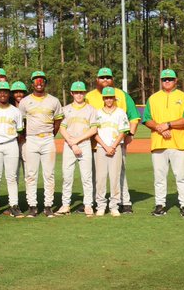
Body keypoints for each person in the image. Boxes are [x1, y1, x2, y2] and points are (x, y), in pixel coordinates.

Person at [85, 67, 141, 212]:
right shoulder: (89, 96)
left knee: (119, 172)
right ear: (97, 80)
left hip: (117, 142)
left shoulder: (122, 95)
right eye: (102, 77)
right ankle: (93, 203)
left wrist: (130, 135)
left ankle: (125, 201)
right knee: (96, 174)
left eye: (108, 77)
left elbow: (134, 117)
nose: (105, 80)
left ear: (112, 79)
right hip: (94, 143)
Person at [142, 69, 184, 218]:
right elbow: (147, 119)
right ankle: (160, 205)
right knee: (159, 177)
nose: (167, 81)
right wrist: (159, 127)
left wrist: (168, 125)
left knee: (182, 176)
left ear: (176, 80)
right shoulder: (153, 98)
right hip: (159, 143)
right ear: (161, 81)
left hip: (180, 143)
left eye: (170, 79)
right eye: (164, 79)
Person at [17, 71, 63, 217]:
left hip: (48, 138)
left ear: (45, 83)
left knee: (49, 174)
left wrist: (50, 134)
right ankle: (32, 206)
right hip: (31, 139)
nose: (39, 83)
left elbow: (58, 121)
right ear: (32, 84)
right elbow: (21, 122)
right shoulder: (25, 101)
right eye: (36, 81)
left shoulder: (54, 100)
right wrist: (25, 136)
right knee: (31, 174)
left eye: (41, 81)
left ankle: (48, 205)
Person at [0, 82, 24, 218]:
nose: (2, 94)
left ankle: (14, 205)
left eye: (5, 91)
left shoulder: (15, 111)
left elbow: (19, 131)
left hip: (11, 143)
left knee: (11, 177)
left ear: (9, 93)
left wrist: (11, 142)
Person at [58, 82, 99, 216]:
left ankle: (88, 205)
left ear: (84, 93)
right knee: (67, 176)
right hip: (69, 145)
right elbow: (62, 127)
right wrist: (72, 143)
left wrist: (78, 140)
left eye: (81, 92)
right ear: (72, 93)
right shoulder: (66, 109)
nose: (79, 94)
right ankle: (65, 205)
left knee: (87, 176)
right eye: (76, 92)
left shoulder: (91, 109)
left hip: (85, 143)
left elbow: (93, 129)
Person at [93, 87, 130, 217]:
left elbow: (123, 131)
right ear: (103, 99)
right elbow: (94, 133)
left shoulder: (120, 113)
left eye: (110, 97)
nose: (108, 100)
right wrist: (105, 146)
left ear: (114, 98)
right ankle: (101, 206)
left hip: (116, 147)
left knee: (115, 177)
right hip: (101, 147)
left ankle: (114, 205)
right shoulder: (97, 113)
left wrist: (113, 146)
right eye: (106, 97)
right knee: (101, 178)